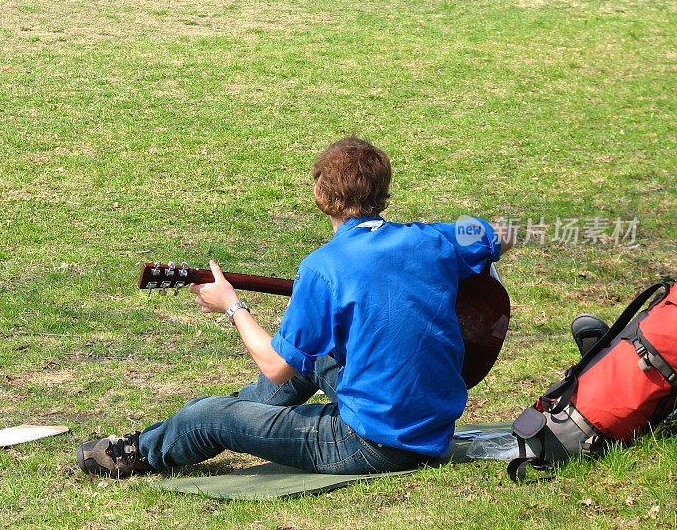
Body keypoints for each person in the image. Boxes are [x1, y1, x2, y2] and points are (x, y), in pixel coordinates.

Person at [76, 137, 514, 477]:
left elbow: (275, 368)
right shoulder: (431, 239)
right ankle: (241, 417)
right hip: (431, 428)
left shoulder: (323, 268)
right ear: (382, 192)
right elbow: (502, 234)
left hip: (372, 443)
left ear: (322, 195)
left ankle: (136, 453)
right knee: (316, 355)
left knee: (207, 415)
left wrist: (232, 306)